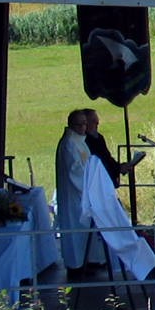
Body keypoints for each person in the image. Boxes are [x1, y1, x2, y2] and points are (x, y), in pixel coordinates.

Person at [55, 108, 101, 273]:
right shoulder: (68, 144)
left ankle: (89, 261)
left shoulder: (78, 141)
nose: (83, 127)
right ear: (71, 125)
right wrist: (90, 184)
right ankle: (76, 267)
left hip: (83, 196)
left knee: (85, 232)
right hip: (74, 196)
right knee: (75, 232)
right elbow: (75, 171)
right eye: (80, 124)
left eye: (84, 124)